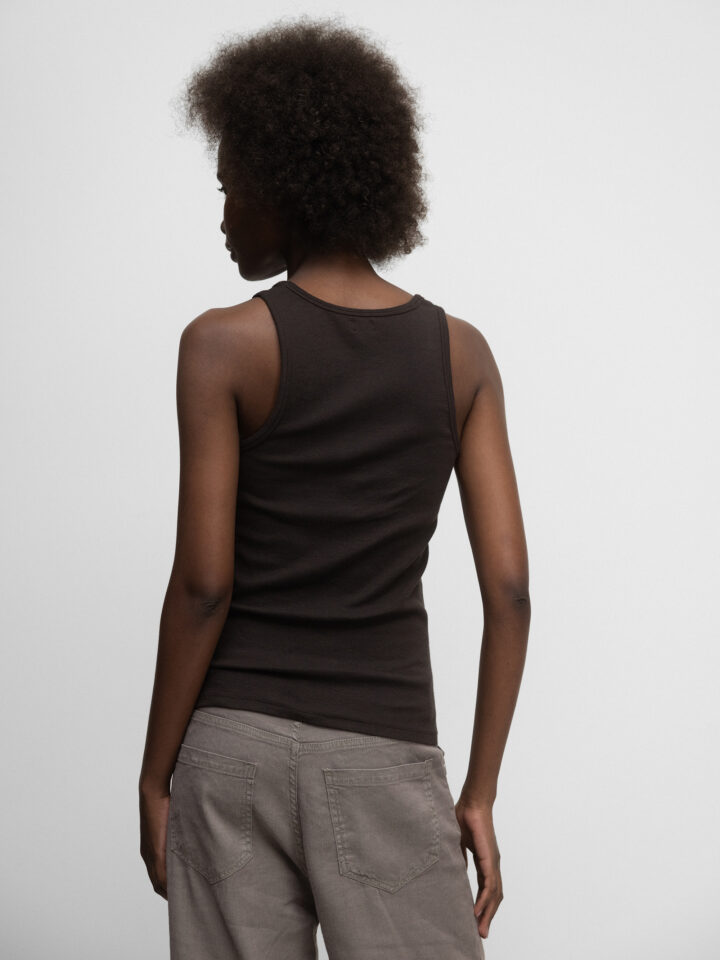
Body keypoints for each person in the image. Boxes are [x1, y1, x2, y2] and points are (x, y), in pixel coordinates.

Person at [138, 15, 530, 960]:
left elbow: (204, 586)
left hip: (231, 753)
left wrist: (155, 777)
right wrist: (478, 791)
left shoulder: (220, 346)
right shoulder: (462, 357)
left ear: (286, 185)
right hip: (385, 752)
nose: (223, 216)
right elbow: (511, 591)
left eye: (231, 189)